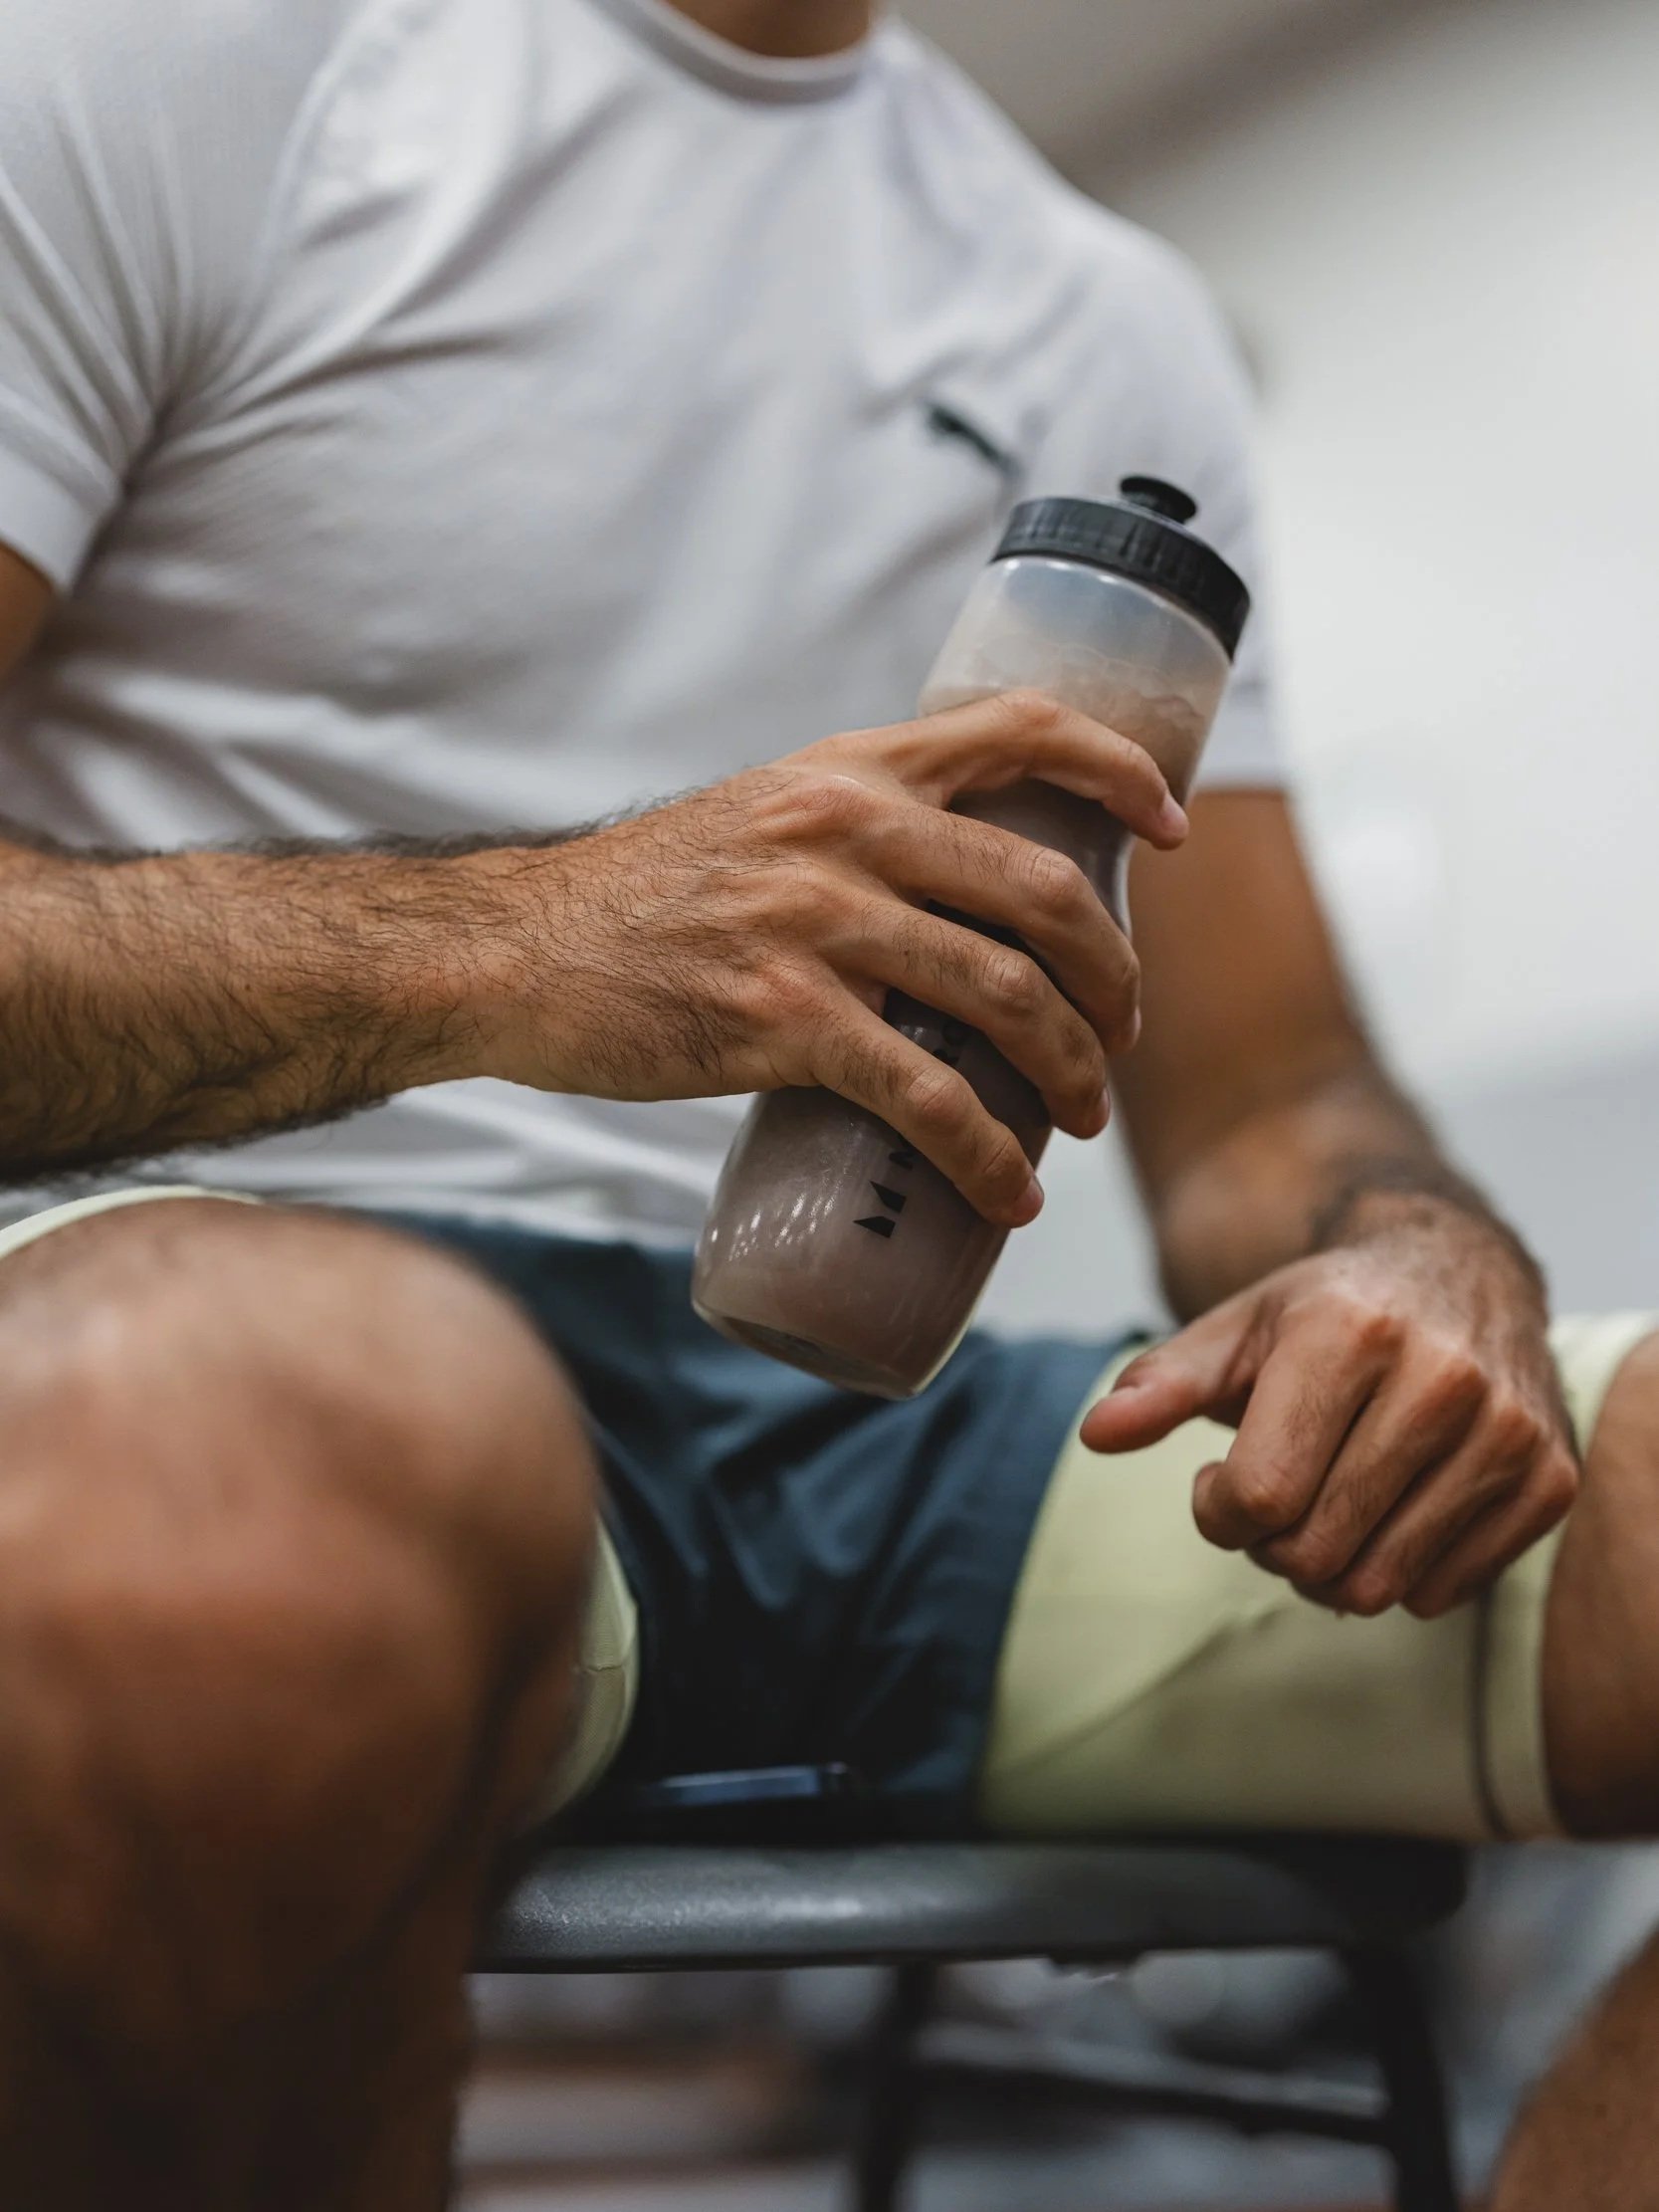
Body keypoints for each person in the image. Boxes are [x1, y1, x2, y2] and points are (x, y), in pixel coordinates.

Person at [0, 0, 1653, 2201]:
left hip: (854, 1430)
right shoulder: (175, 70)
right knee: (223, 1522)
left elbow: (1272, 1100)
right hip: (201, 1294)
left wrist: (1415, 1250)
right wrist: (517, 941)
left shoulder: (1102, 320)